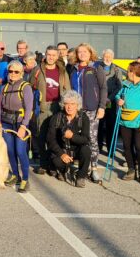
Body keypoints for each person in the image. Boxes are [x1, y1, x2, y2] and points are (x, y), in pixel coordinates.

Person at [68, 43, 107, 182]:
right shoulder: (74, 69)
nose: (82, 54)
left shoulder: (96, 68)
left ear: (90, 53)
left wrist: (102, 106)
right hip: (76, 110)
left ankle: (94, 168)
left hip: (91, 109)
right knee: (77, 138)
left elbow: (103, 88)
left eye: (85, 52)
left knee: (92, 139)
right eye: (80, 52)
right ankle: (81, 166)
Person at [30, 46, 71, 176]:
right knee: (41, 135)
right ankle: (43, 164)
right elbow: (30, 87)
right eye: (49, 54)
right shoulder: (37, 70)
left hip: (57, 107)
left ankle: (54, 166)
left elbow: (68, 90)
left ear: (57, 56)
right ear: (45, 55)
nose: (51, 57)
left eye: (54, 55)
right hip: (42, 107)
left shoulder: (62, 71)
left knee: (56, 137)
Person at [0, 61, 34, 192]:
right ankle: (15, 175)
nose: (12, 74)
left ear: (21, 73)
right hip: (6, 122)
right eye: (10, 71)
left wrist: (23, 126)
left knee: (20, 151)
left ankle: (25, 179)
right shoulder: (4, 88)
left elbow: (29, 108)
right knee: (10, 151)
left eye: (16, 72)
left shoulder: (26, 87)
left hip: (19, 123)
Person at [46, 91, 91, 188]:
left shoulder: (83, 118)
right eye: (66, 104)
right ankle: (65, 170)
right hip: (62, 150)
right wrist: (62, 154)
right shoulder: (56, 118)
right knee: (56, 160)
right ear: (63, 104)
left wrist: (72, 136)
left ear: (77, 105)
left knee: (86, 151)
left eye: (72, 104)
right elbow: (50, 140)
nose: (69, 107)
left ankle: (80, 177)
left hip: (76, 150)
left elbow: (86, 139)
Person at [96, 49, 125, 152]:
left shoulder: (117, 70)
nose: (107, 58)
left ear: (112, 58)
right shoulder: (96, 67)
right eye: (105, 56)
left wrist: (110, 98)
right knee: (98, 126)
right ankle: (98, 147)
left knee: (110, 126)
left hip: (111, 102)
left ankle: (111, 149)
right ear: (102, 56)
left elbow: (119, 86)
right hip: (98, 101)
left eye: (109, 56)